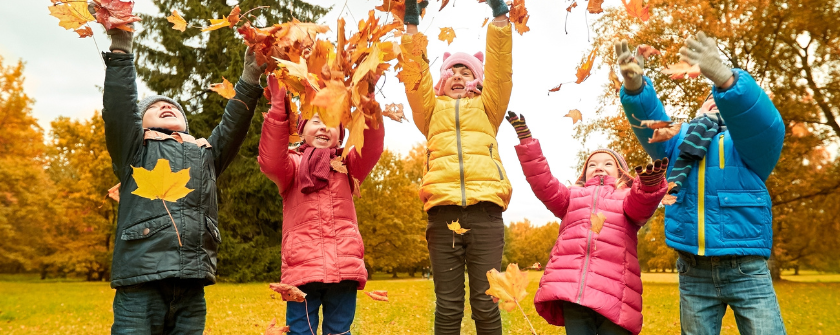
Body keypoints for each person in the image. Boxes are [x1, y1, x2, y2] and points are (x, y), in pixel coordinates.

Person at [100, 21, 265, 334]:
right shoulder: (135, 149)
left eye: (173, 107)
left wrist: (250, 77)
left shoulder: (205, 154)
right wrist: (121, 50)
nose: (165, 105)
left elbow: (234, 125)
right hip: (141, 281)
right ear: (140, 123)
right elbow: (120, 107)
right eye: (156, 106)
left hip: (191, 282)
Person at [616, 32, 787, 335]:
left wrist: (726, 81)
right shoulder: (679, 141)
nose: (714, 103)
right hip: (693, 270)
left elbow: (764, 124)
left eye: (719, 99)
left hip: (746, 267)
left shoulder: (748, 146)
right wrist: (635, 89)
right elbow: (651, 126)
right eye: (709, 99)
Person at [399, 1, 513, 334]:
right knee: (448, 307)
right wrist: (411, 25)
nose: (459, 76)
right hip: (442, 213)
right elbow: (415, 76)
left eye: (466, 72)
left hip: (486, 214)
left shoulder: (489, 108)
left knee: (486, 304)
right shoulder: (431, 111)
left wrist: (500, 16)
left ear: (477, 81)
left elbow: (500, 71)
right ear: (442, 82)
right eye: (453, 72)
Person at [507, 113, 668, 335]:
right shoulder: (572, 197)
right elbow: (543, 182)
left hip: (615, 291)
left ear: (621, 171)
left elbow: (642, 204)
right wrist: (527, 141)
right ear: (584, 172)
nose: (598, 166)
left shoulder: (626, 196)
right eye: (592, 164)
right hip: (575, 291)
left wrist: (649, 186)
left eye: (607, 163)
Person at [257, 75, 384, 335]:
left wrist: (368, 99)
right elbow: (270, 159)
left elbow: (371, 147)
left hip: (344, 265)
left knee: (339, 330)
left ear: (341, 135)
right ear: (301, 130)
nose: (325, 128)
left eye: (332, 123)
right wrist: (280, 106)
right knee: (301, 331)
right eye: (317, 121)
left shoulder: (348, 165)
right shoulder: (291, 166)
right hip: (302, 268)